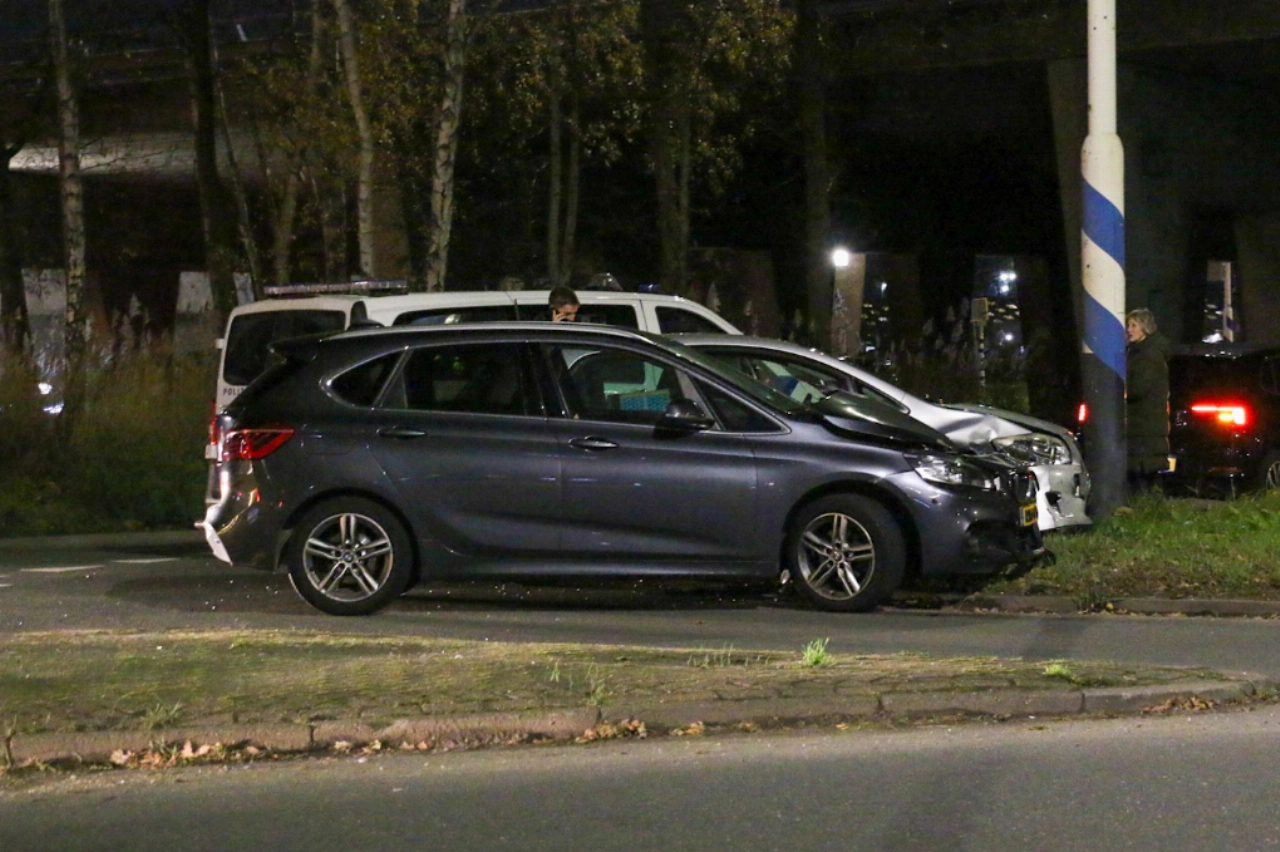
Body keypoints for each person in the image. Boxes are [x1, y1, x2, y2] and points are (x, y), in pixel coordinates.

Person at [1125, 308, 1172, 492]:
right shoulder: (1140, 352)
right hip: (1145, 424)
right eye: (1128, 325)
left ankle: (1146, 509)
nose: (1129, 330)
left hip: (1144, 424)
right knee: (1145, 473)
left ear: (1145, 328)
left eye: (1134, 325)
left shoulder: (1148, 355)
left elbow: (1139, 388)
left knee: (1144, 474)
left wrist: (1122, 392)